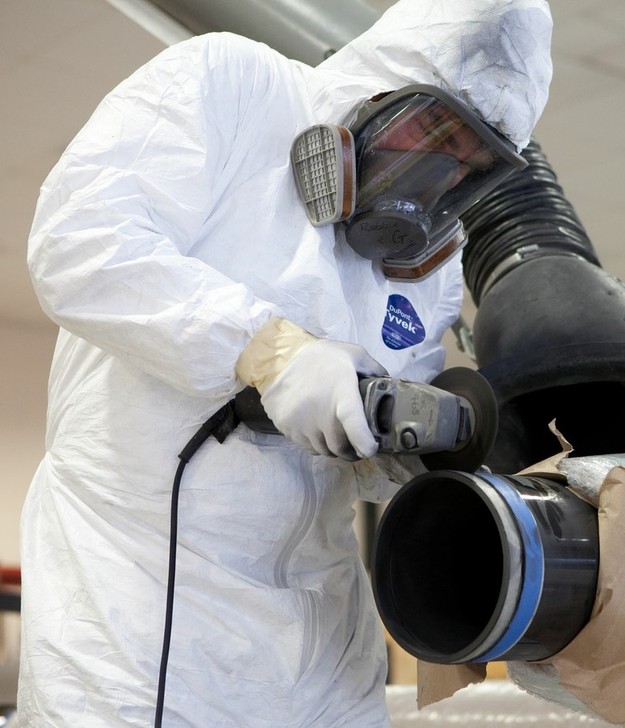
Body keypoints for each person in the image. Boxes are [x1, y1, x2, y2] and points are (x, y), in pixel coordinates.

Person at [18, 0, 552, 724]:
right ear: (380, 86)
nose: (438, 172)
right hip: (139, 616)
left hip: (317, 636)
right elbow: (83, 242)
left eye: (468, 161)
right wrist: (266, 351)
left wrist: (405, 445)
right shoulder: (230, 85)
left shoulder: (424, 268)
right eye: (435, 132)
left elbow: (371, 447)